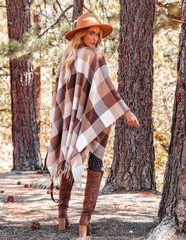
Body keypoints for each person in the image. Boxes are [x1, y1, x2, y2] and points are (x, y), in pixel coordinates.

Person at [46, 13, 139, 238]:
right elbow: (107, 87)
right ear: (81, 34)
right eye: (91, 33)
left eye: (97, 34)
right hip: (89, 115)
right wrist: (125, 110)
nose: (96, 38)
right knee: (95, 157)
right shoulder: (95, 55)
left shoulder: (68, 56)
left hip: (70, 119)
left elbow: (60, 95)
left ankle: (62, 215)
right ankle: (84, 220)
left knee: (70, 152)